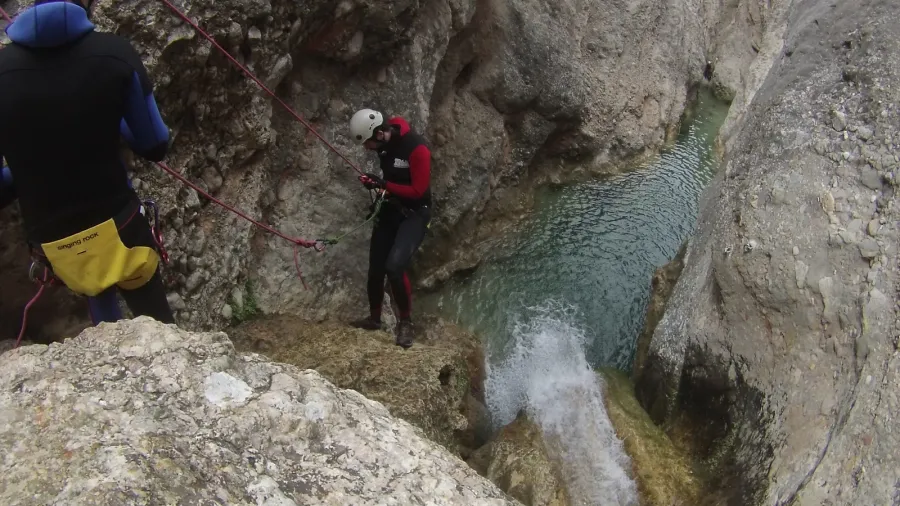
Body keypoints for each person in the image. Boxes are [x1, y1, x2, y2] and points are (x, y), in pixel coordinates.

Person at [0, 0, 175, 326]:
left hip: (54, 240)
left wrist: (28, 168)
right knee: (158, 324)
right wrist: (115, 124)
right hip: (119, 225)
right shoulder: (115, 53)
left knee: (96, 292)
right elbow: (155, 144)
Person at [348, 108, 432, 348]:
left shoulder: (417, 149)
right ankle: (374, 319)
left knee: (394, 267)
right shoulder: (386, 138)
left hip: (415, 214)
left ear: (379, 133)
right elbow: (390, 177)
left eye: (367, 143)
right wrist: (375, 184)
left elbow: (418, 191)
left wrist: (383, 183)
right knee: (376, 267)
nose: (367, 148)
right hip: (391, 208)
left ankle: (405, 322)